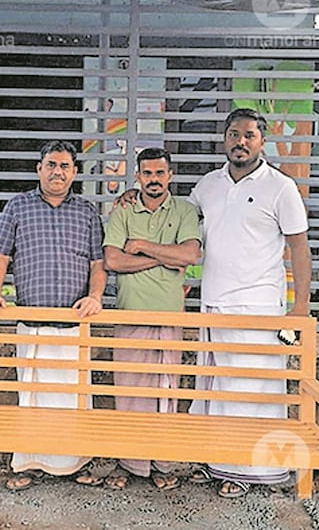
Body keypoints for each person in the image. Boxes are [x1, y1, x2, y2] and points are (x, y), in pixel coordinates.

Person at [186, 108, 312, 499]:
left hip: (258, 308)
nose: (240, 142)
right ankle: (218, 464)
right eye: (233, 134)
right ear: (224, 139)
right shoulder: (207, 185)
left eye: (249, 136)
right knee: (218, 391)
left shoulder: (280, 187)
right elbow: (180, 224)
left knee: (252, 392)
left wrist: (299, 308)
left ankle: (256, 470)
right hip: (214, 305)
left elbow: (299, 248)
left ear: (262, 141)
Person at [0, 140, 107, 490]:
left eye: (65, 166)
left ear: (74, 172)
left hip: (73, 323)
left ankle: (78, 462)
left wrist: (95, 297)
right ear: (39, 169)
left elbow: (99, 264)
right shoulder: (18, 206)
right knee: (33, 396)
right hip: (32, 323)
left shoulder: (86, 211)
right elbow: (0, 255)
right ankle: (30, 465)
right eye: (51, 164)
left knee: (74, 397)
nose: (57, 172)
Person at [86, 146, 202, 491]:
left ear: (170, 175)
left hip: (169, 316)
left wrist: (141, 245)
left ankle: (163, 463)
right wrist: (165, 257)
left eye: (160, 173)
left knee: (166, 391)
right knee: (130, 391)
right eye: (147, 173)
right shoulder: (124, 210)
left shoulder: (183, 209)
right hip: (131, 312)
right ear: (138, 176)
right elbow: (114, 262)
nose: (154, 179)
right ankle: (131, 463)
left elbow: (191, 254)